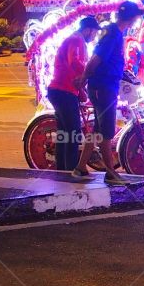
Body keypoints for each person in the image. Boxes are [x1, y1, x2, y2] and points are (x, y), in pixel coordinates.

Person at [76, 1, 144, 184]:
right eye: (136, 17)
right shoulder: (113, 34)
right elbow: (96, 58)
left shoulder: (115, 33)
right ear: (131, 19)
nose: (137, 21)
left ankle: (81, 167)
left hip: (106, 86)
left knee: (98, 131)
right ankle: (110, 173)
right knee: (106, 132)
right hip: (103, 88)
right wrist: (84, 78)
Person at [47, 15, 100, 172]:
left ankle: (62, 170)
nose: (95, 36)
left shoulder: (75, 39)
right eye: (94, 32)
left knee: (65, 133)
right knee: (73, 133)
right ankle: (70, 170)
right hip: (63, 91)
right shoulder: (76, 40)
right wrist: (89, 72)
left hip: (60, 90)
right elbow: (75, 61)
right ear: (88, 30)